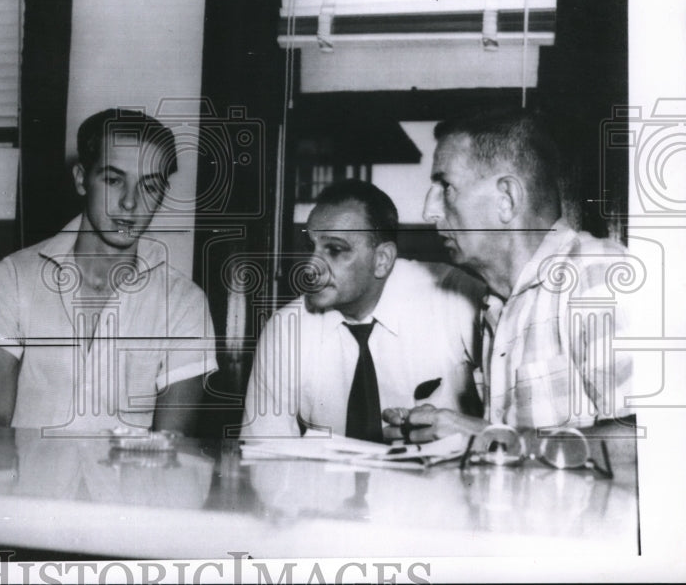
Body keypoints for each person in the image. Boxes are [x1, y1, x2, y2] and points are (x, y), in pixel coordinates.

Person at [0, 108, 217, 436]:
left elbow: (172, 444)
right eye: (114, 180)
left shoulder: (186, 303)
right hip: (29, 485)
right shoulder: (11, 279)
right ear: (81, 179)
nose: (130, 203)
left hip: (131, 487)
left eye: (150, 186)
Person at [394, 108, 636, 442]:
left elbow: (654, 448)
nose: (429, 210)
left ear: (507, 199)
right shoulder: (496, 306)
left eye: (446, 187)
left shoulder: (598, 275)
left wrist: (488, 436)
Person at [241, 179, 485, 440]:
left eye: (335, 250)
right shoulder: (287, 328)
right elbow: (263, 451)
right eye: (310, 247)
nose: (312, 267)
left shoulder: (455, 298)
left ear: (382, 260)